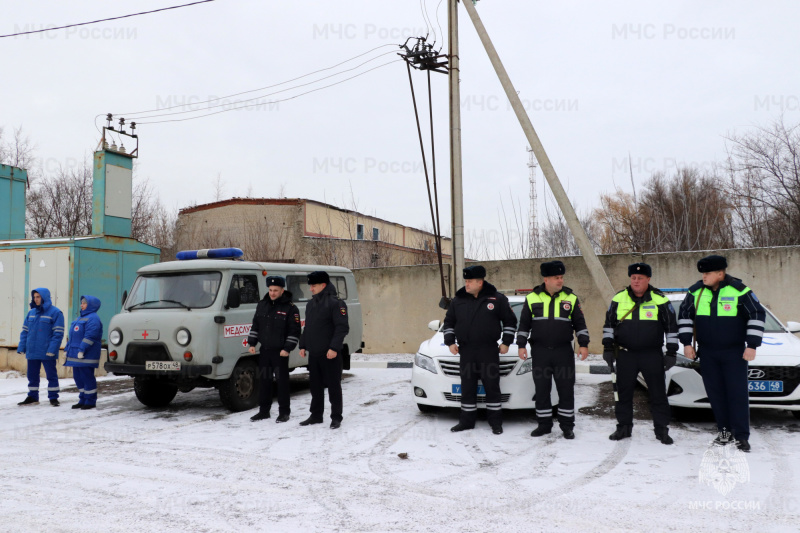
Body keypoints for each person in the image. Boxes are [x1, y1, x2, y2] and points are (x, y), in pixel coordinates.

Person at [678, 255, 765, 453]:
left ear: (720, 273)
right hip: (707, 353)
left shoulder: (739, 291)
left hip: (733, 353)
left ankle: (742, 436)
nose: (704, 276)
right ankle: (724, 433)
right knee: (716, 395)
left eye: (707, 273)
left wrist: (752, 345)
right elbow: (684, 315)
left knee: (737, 395)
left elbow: (757, 315)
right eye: (703, 273)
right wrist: (686, 344)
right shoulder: (695, 292)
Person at [602, 263, 678, 444]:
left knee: (658, 394)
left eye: (640, 278)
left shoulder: (660, 300)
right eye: (633, 278)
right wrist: (607, 348)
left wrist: (671, 352)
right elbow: (609, 326)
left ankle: (662, 430)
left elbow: (671, 329)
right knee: (623, 394)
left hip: (651, 355)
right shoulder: (618, 299)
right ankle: (623, 428)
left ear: (648, 279)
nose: (636, 281)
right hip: (625, 355)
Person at [517, 261, 589, 439]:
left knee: (566, 390)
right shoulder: (533, 298)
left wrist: (584, 344)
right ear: (546, 279)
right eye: (556, 277)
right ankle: (544, 425)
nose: (560, 280)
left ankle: (567, 426)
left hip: (563, 352)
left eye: (562, 277)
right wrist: (520, 345)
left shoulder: (571, 298)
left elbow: (580, 324)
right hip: (540, 352)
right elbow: (524, 324)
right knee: (542, 390)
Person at [443, 265, 517, 435]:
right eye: (466, 281)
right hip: (466, 351)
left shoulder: (497, 299)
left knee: (492, 387)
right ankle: (466, 421)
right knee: (467, 387)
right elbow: (449, 323)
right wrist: (450, 342)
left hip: (488, 351)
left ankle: (495, 422)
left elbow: (510, 322)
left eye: (469, 281)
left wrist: (506, 342)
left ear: (480, 282)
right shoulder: (458, 300)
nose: (466, 284)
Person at [298, 271, 350, 429]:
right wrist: (303, 345)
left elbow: (342, 328)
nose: (311, 289)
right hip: (314, 353)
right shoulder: (311, 304)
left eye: (313, 286)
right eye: (310, 286)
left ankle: (336, 417)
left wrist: (334, 347)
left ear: (323, 285)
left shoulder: (336, 303)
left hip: (330, 353)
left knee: (333, 386)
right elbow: (308, 328)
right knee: (315, 386)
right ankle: (316, 415)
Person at [247, 276, 301, 423]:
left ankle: (284, 412)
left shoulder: (290, 308)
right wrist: (252, 343)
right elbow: (255, 326)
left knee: (282, 383)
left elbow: (294, 331)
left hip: (280, 352)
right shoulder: (262, 305)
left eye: (275, 290)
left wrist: (287, 348)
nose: (272, 293)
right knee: (264, 381)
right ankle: (264, 411)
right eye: (270, 290)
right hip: (265, 350)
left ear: (282, 290)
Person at [17, 288, 65, 406]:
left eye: (38, 297)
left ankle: (53, 397)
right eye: (34, 297)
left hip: (47, 351)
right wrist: (22, 346)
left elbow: (58, 334)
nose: (36, 299)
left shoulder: (56, 313)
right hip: (32, 350)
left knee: (51, 375)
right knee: (32, 375)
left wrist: (52, 349)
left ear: (44, 297)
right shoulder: (31, 313)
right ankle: (33, 396)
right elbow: (25, 331)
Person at [64, 296, 103, 410]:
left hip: (86, 354)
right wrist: (67, 349)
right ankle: (82, 399)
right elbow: (73, 337)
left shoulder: (93, 318)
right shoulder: (79, 318)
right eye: (81, 303)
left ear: (91, 305)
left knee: (87, 377)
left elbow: (90, 336)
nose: (82, 305)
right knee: (78, 377)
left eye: (84, 303)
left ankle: (90, 400)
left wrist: (82, 349)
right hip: (76, 354)